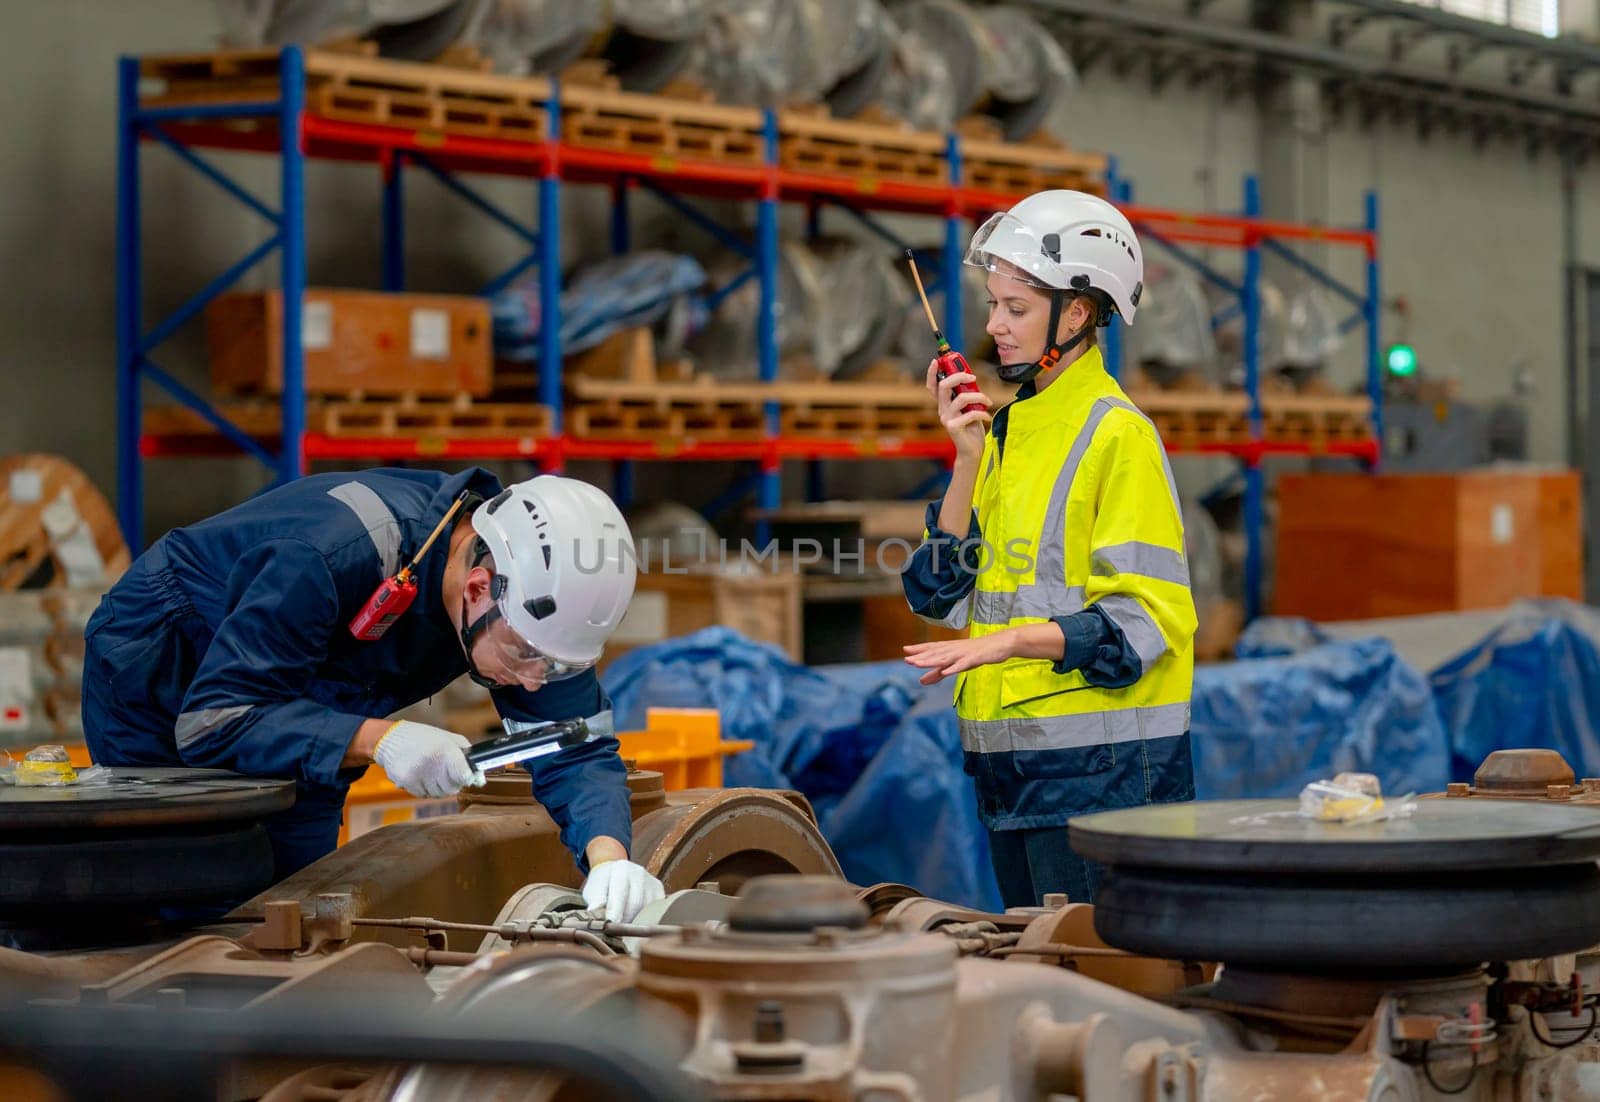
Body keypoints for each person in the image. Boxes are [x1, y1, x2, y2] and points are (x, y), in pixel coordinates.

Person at [82, 468, 665, 923]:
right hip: (164, 657)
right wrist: (378, 738)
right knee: (173, 883)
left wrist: (609, 858)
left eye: (556, 665)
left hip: (305, 684)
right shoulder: (331, 553)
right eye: (527, 657)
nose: (536, 681)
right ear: (479, 587)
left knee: (288, 902)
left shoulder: (526, 613)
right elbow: (214, 720)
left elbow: (574, 746)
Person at [900, 189, 1196, 909]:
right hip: (1014, 774)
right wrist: (966, 458)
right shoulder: (1009, 432)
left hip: (1104, 785)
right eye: (994, 303)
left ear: (1078, 312)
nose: (995, 326)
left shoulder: (1115, 435)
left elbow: (1145, 624)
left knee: (1098, 993)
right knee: (1039, 990)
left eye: (1017, 309)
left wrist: (1007, 644)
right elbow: (938, 595)